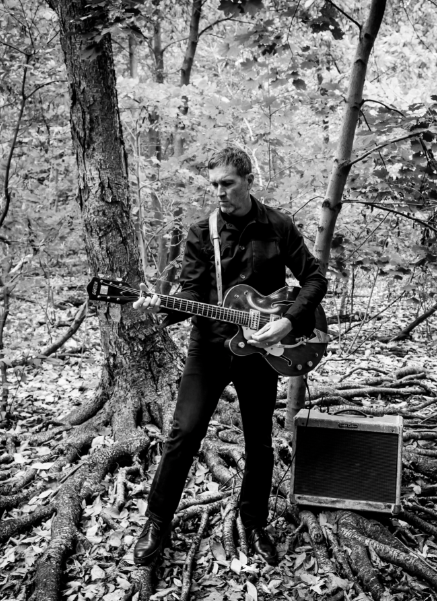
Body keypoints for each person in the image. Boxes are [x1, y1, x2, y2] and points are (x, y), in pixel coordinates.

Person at [132, 146, 327, 566]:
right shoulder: (202, 232)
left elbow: (314, 278)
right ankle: (157, 522)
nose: (219, 192)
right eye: (214, 185)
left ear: (248, 181)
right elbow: (190, 292)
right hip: (210, 347)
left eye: (227, 183)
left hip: (261, 350)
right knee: (184, 433)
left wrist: (289, 321)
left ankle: (254, 524)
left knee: (259, 441)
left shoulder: (278, 226)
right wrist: (162, 306)